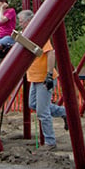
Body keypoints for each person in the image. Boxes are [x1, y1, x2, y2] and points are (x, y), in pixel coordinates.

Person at [17, 10, 66, 150]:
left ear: (28, 21)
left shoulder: (40, 35)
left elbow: (51, 53)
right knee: (33, 104)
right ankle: (63, 112)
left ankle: (50, 142)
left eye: (21, 22)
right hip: (35, 77)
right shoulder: (28, 36)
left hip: (44, 78)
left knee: (42, 112)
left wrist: (49, 75)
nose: (20, 25)